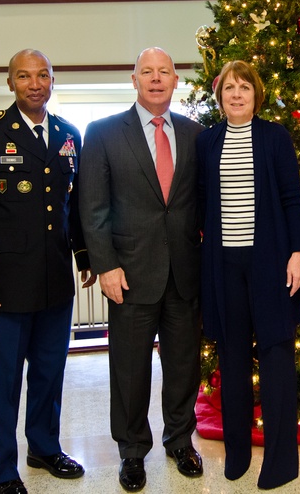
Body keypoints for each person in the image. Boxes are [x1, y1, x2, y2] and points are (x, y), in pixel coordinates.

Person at [0, 49, 89, 494]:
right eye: (25, 76)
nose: (35, 84)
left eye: (43, 75)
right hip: (3, 288)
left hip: (54, 281)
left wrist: (84, 257)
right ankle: (2, 469)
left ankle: (44, 447)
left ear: (53, 80)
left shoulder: (69, 134)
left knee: (50, 374)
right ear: (11, 81)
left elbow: (72, 209)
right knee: (4, 383)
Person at [78, 47, 205, 493]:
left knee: (184, 365)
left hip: (186, 273)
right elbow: (92, 208)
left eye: (164, 72)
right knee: (130, 370)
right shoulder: (104, 132)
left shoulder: (194, 134)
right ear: (133, 79)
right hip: (128, 274)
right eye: (146, 72)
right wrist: (105, 265)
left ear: (176, 81)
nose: (155, 79)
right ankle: (132, 452)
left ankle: (180, 441)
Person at [197, 60, 300, 489]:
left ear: (256, 94)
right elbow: (202, 201)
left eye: (245, 87)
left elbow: (292, 198)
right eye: (229, 89)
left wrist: (297, 254)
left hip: (271, 264)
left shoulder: (275, 137)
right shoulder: (207, 141)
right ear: (219, 96)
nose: (237, 94)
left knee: (277, 360)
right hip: (224, 266)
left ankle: (280, 463)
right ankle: (237, 455)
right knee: (233, 359)